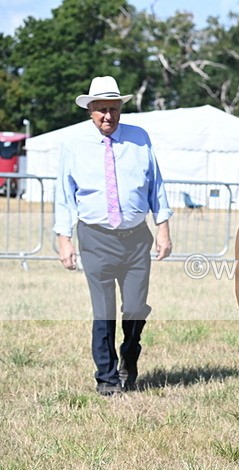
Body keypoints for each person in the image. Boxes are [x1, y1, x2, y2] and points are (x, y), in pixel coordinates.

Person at [54, 75, 173, 397]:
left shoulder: (139, 138)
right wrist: (64, 239)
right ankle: (106, 378)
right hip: (95, 239)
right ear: (90, 110)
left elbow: (155, 185)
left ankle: (129, 360)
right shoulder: (73, 145)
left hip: (136, 239)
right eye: (101, 110)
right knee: (103, 311)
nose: (108, 116)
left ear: (121, 108)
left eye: (113, 109)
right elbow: (64, 195)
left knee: (135, 308)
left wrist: (163, 228)